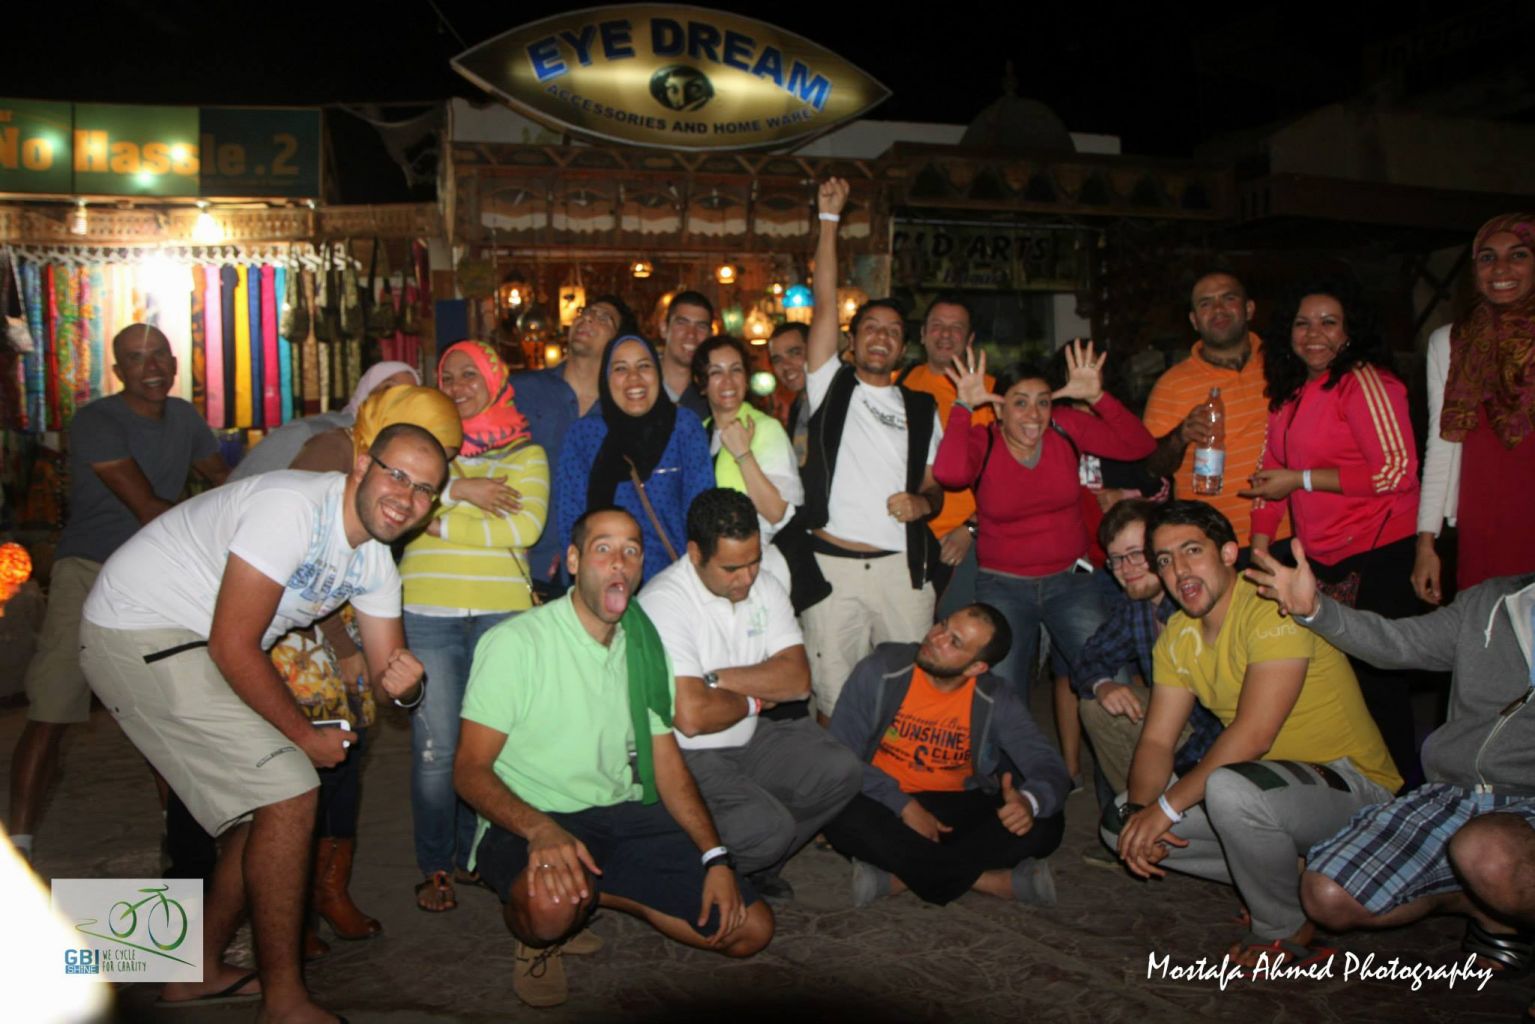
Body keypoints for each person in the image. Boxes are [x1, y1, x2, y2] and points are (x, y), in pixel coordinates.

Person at [79, 423, 443, 1022]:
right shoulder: (293, 509)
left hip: (194, 643)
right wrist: (304, 737)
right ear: (361, 465)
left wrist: (407, 688)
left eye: (425, 489)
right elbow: (233, 644)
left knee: (269, 810)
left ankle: (195, 969)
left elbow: (388, 679)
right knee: (292, 790)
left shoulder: (376, 563)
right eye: (397, 475)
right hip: (139, 627)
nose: (407, 497)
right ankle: (284, 1001)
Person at [163, 383, 464, 959]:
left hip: (275, 633)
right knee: (253, 791)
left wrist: (404, 685)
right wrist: (341, 650)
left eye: (433, 476)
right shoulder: (325, 462)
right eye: (410, 468)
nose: (419, 485)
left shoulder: (387, 518)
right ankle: (214, 939)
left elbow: (372, 623)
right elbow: (297, 569)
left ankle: (272, 922)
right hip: (233, 631)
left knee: (305, 778)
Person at [455, 507, 773, 1008]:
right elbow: (468, 770)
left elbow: (668, 764)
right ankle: (548, 927)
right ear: (574, 561)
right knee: (550, 910)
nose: (619, 562)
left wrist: (715, 857)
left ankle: (590, 894)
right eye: (603, 549)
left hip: (616, 812)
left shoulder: (643, 648)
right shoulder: (515, 643)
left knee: (750, 929)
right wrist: (540, 830)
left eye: (631, 550)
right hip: (531, 815)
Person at [1102, 500, 1400, 966]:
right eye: (1165, 559)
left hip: (1353, 788)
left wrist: (1167, 809)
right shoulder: (1177, 635)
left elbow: (1255, 734)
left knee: (1229, 787)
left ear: (1227, 553)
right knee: (1118, 823)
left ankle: (1283, 924)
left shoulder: (1270, 607)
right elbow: (1157, 741)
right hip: (1270, 793)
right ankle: (1290, 879)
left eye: (1192, 551)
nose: (1179, 570)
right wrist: (1142, 815)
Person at [1245, 543, 1535, 1006]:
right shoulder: (1494, 601)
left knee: (1489, 851)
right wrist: (1315, 609)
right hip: (1455, 792)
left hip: (1526, 803)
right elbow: (1398, 643)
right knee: (1327, 895)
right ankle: (1483, 901)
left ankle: (1496, 886)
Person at [8, 323, 228, 863]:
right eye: (135, 358)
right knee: (53, 705)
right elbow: (147, 507)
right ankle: (19, 842)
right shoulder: (96, 421)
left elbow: (226, 483)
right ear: (118, 370)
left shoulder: (185, 417)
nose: (150, 368)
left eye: (158, 356)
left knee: (166, 710)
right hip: (90, 570)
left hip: (153, 576)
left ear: (174, 363)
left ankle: (180, 839)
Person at [639, 489, 861, 902]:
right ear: (695, 553)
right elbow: (691, 716)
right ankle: (676, 870)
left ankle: (752, 865)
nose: (746, 578)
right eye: (731, 568)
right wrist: (756, 699)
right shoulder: (663, 602)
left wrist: (713, 679)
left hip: (747, 735)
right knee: (767, 827)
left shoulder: (765, 586)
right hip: (685, 753)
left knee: (840, 769)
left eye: (754, 561)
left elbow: (797, 680)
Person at [1244, 278, 1422, 783]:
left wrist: (1300, 479)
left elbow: (1396, 472)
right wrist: (1259, 551)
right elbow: (1268, 477)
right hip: (1319, 555)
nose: (1314, 334)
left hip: (1376, 548)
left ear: (1350, 331)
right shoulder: (1291, 393)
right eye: (1303, 323)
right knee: (1334, 683)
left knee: (1378, 684)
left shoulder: (1366, 381)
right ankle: (1351, 789)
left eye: (1329, 322)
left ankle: (1406, 792)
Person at [785, 177, 946, 717]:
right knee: (833, 701)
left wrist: (924, 503)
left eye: (893, 331)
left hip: (903, 571)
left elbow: (934, 485)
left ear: (903, 348)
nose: (881, 336)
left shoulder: (921, 408)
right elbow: (825, 303)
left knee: (912, 701)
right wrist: (829, 220)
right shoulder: (830, 385)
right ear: (850, 342)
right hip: (835, 571)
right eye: (870, 327)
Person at [401, 340, 549, 913]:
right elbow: (399, 505)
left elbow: (525, 528)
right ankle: (437, 865)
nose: (459, 385)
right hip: (428, 611)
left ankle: (481, 856)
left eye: (471, 373)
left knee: (495, 747)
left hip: (502, 614)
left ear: (495, 378)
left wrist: (438, 521)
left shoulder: (527, 453)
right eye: (448, 375)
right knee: (436, 750)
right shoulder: (424, 448)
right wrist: (462, 490)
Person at [935, 342, 1155, 707]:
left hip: (1073, 581)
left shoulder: (1065, 427)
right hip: (1003, 585)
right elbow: (949, 474)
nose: (1034, 414)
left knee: (1112, 681)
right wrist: (963, 407)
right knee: (1001, 698)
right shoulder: (983, 439)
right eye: (1020, 403)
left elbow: (1139, 446)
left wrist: (1098, 397)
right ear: (999, 408)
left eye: (1043, 402)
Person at [823, 603, 1070, 906]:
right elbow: (840, 756)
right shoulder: (881, 669)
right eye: (943, 625)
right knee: (838, 810)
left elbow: (1048, 765)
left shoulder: (995, 697)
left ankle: (900, 877)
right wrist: (904, 806)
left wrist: (1028, 803)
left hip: (957, 805)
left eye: (955, 642)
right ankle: (989, 881)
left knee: (1046, 823)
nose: (936, 638)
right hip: (883, 798)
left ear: (975, 668)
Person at [1416, 214, 1535, 597]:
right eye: (1487, 257)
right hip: (1483, 516)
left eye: (1518, 255)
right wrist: (1426, 542)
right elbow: (1441, 444)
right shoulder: (1448, 342)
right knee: (1486, 622)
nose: (1500, 268)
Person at [1072, 499, 1223, 793]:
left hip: (1221, 737)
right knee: (1096, 706)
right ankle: (1135, 807)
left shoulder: (1196, 600)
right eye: (1116, 559)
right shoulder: (1137, 606)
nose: (1126, 568)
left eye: (1136, 554)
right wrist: (1103, 685)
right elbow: (1087, 658)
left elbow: (1228, 717)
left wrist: (1180, 772)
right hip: (1174, 727)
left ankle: (1160, 802)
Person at [555, 334, 714, 585]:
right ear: (605, 378)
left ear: (658, 372)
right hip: (606, 585)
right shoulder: (585, 435)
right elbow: (571, 520)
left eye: (644, 366)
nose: (634, 378)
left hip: (674, 586)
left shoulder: (684, 426)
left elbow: (703, 515)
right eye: (620, 368)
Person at [1143, 271, 1286, 546]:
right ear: (1194, 320)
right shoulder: (1171, 385)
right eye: (1206, 303)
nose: (1218, 309)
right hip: (1210, 540)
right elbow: (1152, 466)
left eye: (1228, 298)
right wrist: (1180, 436)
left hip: (1289, 531)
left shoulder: (1283, 365)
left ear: (1249, 309)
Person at [512, 296, 637, 590]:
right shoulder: (522, 390)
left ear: (618, 343)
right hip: (518, 560)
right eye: (584, 312)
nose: (587, 318)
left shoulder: (623, 412)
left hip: (592, 570)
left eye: (604, 318)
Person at [896, 294, 994, 617]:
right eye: (937, 326)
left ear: (970, 339)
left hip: (965, 542)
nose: (946, 334)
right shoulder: (899, 385)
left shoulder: (991, 393)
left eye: (956, 327)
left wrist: (972, 527)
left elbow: (1012, 475)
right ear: (923, 334)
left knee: (960, 632)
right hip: (907, 537)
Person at [692, 334, 803, 593]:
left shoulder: (766, 428)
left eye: (736, 370)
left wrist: (743, 454)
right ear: (701, 383)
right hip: (711, 572)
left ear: (746, 378)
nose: (728, 381)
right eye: (716, 372)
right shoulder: (698, 433)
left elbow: (776, 512)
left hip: (758, 569)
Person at [229, 360, 418, 482]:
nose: (396, 400)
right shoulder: (310, 432)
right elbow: (243, 485)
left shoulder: (388, 449)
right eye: (388, 389)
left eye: (408, 395)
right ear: (365, 392)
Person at [659, 290, 715, 418]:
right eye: (682, 323)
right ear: (664, 328)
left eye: (701, 327)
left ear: (710, 336)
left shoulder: (714, 393)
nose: (691, 334)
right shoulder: (640, 383)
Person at [767, 323, 810, 465]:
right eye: (777, 360)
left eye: (794, 353)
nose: (785, 366)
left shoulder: (840, 397)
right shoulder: (796, 407)